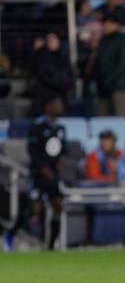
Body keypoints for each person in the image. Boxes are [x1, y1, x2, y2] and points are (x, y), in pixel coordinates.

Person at [26, 96, 66, 250]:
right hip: (38, 174)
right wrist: (42, 168)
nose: (61, 107)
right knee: (35, 208)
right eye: (58, 103)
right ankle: (17, 232)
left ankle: (50, 245)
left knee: (57, 205)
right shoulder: (37, 126)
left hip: (53, 175)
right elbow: (32, 151)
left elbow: (61, 150)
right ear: (48, 106)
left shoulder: (60, 128)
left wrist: (61, 160)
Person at [92, 13, 125, 115]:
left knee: (120, 117)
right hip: (102, 88)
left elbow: (123, 63)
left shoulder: (123, 39)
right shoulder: (103, 40)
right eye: (104, 23)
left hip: (118, 86)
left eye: (109, 23)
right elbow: (98, 62)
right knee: (102, 119)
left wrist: (109, 79)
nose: (105, 25)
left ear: (116, 25)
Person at [29, 32, 74, 116]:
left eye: (53, 39)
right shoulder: (41, 57)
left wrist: (66, 85)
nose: (51, 42)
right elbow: (45, 77)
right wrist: (61, 84)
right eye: (49, 40)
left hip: (61, 98)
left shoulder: (63, 57)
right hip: (46, 99)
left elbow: (70, 77)